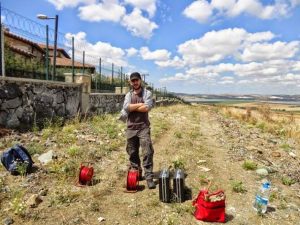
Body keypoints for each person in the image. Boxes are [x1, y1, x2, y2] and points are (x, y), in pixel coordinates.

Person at [119, 72, 155, 189]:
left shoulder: (147, 93)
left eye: (137, 80)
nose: (135, 82)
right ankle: (136, 174)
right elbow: (126, 107)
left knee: (147, 152)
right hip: (131, 127)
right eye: (133, 81)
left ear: (140, 80)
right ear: (130, 82)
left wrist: (133, 107)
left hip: (143, 127)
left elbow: (146, 108)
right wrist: (140, 104)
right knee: (132, 152)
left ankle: (149, 177)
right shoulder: (128, 95)